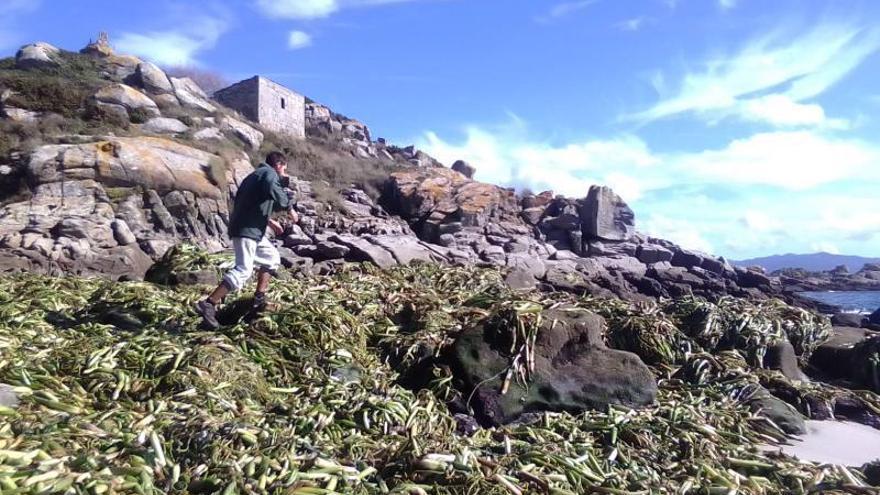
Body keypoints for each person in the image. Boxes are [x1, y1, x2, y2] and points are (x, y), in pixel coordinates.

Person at [195, 151, 299, 329]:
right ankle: (209, 303)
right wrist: (290, 208)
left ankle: (258, 299)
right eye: (284, 169)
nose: (284, 173)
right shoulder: (268, 174)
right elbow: (277, 194)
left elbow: (253, 204)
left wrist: (270, 222)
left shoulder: (255, 176)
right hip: (246, 231)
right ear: (279, 165)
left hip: (252, 230)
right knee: (244, 270)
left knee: (272, 258)